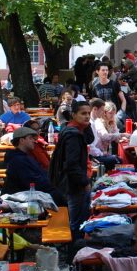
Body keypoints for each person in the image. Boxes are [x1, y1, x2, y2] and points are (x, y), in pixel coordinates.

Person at [49, 99, 95, 234]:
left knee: (78, 220)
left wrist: (87, 124)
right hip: (75, 185)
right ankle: (74, 251)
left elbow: (90, 139)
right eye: (83, 113)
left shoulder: (75, 129)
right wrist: (84, 182)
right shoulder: (72, 135)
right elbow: (71, 164)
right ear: (74, 115)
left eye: (89, 113)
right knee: (78, 223)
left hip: (75, 183)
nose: (87, 116)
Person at [4, 126, 69, 209]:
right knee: (61, 197)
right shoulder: (17, 160)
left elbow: (41, 176)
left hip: (31, 195)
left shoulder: (25, 157)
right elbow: (33, 182)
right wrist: (54, 186)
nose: (34, 141)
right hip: (22, 200)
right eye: (31, 138)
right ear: (21, 140)